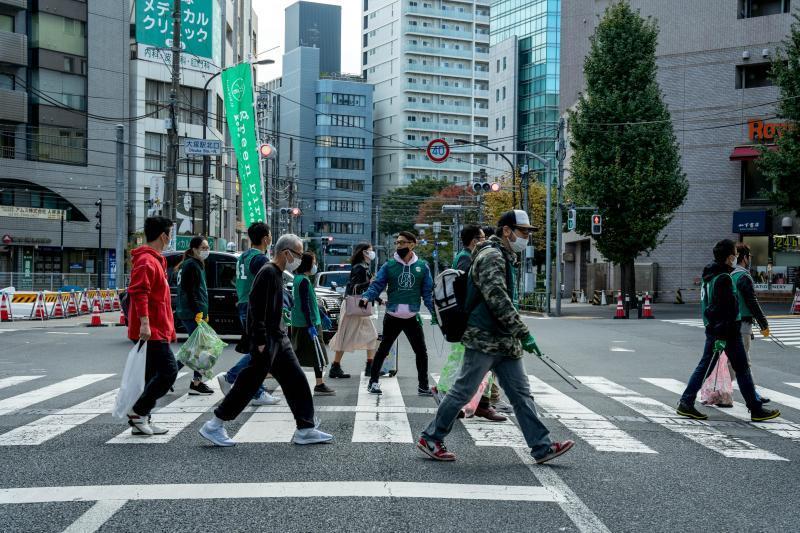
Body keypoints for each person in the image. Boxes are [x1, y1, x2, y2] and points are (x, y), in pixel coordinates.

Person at [418, 210, 575, 464]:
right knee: (461, 392)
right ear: (506, 231)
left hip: (503, 340)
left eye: (527, 233)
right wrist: (523, 332)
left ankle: (542, 447)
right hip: (484, 338)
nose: (526, 237)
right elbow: (497, 298)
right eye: (523, 232)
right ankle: (431, 437)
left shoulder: (502, 255)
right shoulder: (491, 256)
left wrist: (516, 335)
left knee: (521, 394)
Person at [199, 234, 332, 447]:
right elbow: (255, 307)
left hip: (279, 338)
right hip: (268, 339)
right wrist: (260, 339)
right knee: (248, 383)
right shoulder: (268, 272)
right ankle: (214, 425)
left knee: (297, 381)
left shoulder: (277, 273)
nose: (299, 258)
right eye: (297, 253)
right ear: (286, 252)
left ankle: (306, 429)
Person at [676, 239, 780, 422]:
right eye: (735, 254)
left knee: (720, 367)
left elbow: (710, 307)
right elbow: (722, 309)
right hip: (726, 331)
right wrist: (721, 335)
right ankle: (687, 402)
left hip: (716, 329)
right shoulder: (723, 278)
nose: (736, 257)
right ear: (730, 256)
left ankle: (754, 408)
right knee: (733, 368)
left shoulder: (710, 275)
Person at [360, 231, 435, 396]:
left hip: (412, 317)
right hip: (393, 316)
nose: (399, 246)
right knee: (383, 350)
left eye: (403, 243)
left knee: (421, 352)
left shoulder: (422, 267)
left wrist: (435, 313)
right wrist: (366, 297)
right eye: (397, 243)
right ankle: (373, 383)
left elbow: (427, 293)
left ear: (412, 244)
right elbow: (377, 285)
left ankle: (423, 386)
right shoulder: (389, 265)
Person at [125, 216, 179, 436]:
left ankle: (142, 418)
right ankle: (139, 411)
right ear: (164, 235)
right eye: (170, 234)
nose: (170, 238)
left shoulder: (156, 259)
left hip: (158, 328)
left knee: (150, 375)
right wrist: (145, 324)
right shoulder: (147, 261)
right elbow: (139, 292)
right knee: (169, 371)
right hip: (151, 330)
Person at [216, 222, 280, 406]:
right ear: (266, 238)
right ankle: (231, 377)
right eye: (269, 235)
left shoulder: (243, 256)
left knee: (260, 351)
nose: (270, 239)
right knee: (260, 351)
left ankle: (256, 391)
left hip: (244, 305)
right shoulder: (260, 259)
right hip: (255, 308)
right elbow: (265, 286)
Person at [447, 225, 506, 422]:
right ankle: (467, 405)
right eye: (482, 237)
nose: (485, 240)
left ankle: (483, 404)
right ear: (474, 240)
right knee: (471, 366)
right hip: (471, 319)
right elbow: (469, 285)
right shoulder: (466, 257)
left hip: (469, 317)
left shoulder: (464, 255)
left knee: (470, 365)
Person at [328, 243, 379, 378]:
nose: (372, 253)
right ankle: (335, 367)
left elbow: (368, 289)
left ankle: (370, 366)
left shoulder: (365, 267)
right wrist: (370, 283)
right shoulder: (359, 268)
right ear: (364, 252)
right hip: (354, 305)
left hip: (360, 305)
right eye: (370, 250)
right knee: (345, 336)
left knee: (371, 335)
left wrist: (379, 299)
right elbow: (353, 287)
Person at [290, 251, 336, 396]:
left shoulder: (299, 279)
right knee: (318, 355)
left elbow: (310, 302)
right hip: (307, 324)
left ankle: (296, 382)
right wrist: (311, 325)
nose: (315, 265)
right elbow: (305, 305)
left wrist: (322, 315)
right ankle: (319, 384)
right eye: (314, 262)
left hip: (300, 323)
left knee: (298, 354)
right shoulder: (303, 281)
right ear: (308, 264)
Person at [731, 242, 771, 405]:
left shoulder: (730, 275)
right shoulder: (743, 276)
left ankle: (751, 394)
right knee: (741, 363)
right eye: (749, 257)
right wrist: (764, 323)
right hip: (742, 325)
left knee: (735, 361)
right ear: (745, 258)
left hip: (731, 323)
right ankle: (751, 397)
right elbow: (752, 301)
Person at [174, 236, 213, 395]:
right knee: (199, 348)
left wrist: (204, 312)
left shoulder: (192, 264)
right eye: (203, 247)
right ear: (194, 249)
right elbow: (191, 292)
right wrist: (199, 312)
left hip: (191, 312)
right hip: (192, 313)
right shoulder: (191, 265)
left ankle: (167, 376)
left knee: (194, 348)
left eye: (207, 247)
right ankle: (196, 383)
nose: (206, 250)